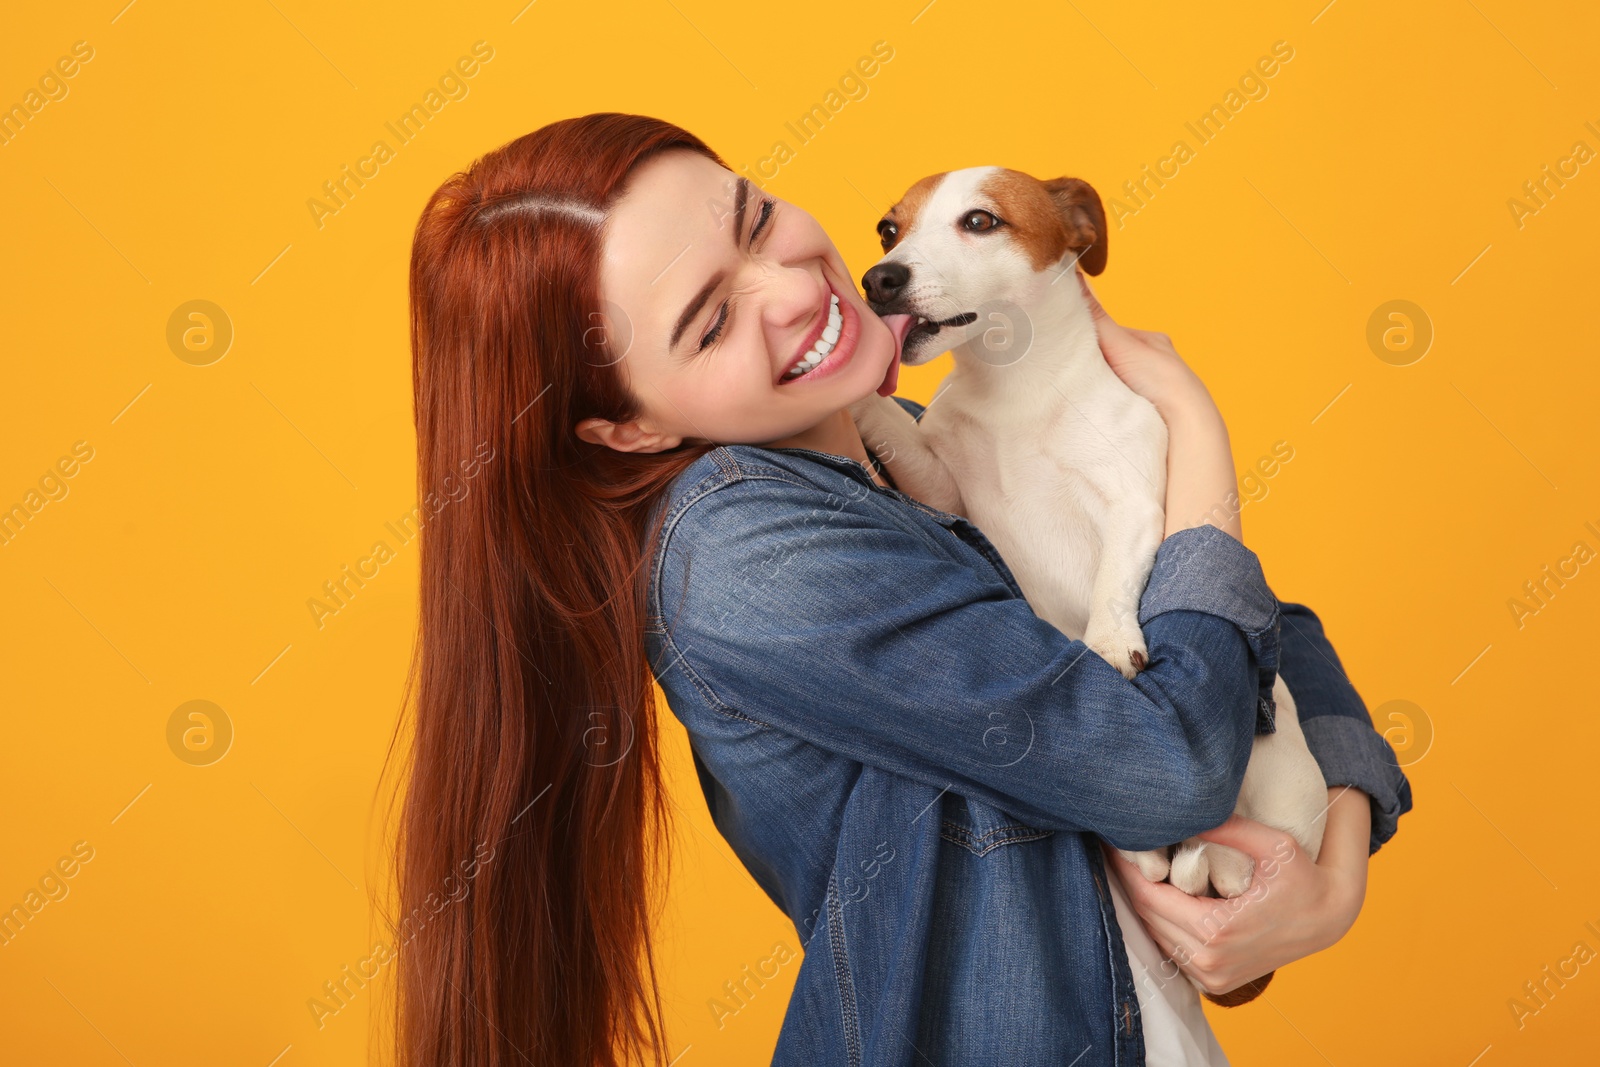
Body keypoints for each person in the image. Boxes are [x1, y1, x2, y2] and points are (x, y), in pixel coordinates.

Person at [388, 111, 1413, 1067]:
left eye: (755, 220)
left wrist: (1330, 878)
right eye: (708, 321)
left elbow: (1262, 626)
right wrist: (1192, 422)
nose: (791, 289)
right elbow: (1166, 759)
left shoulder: (913, 449)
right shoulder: (746, 552)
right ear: (630, 427)